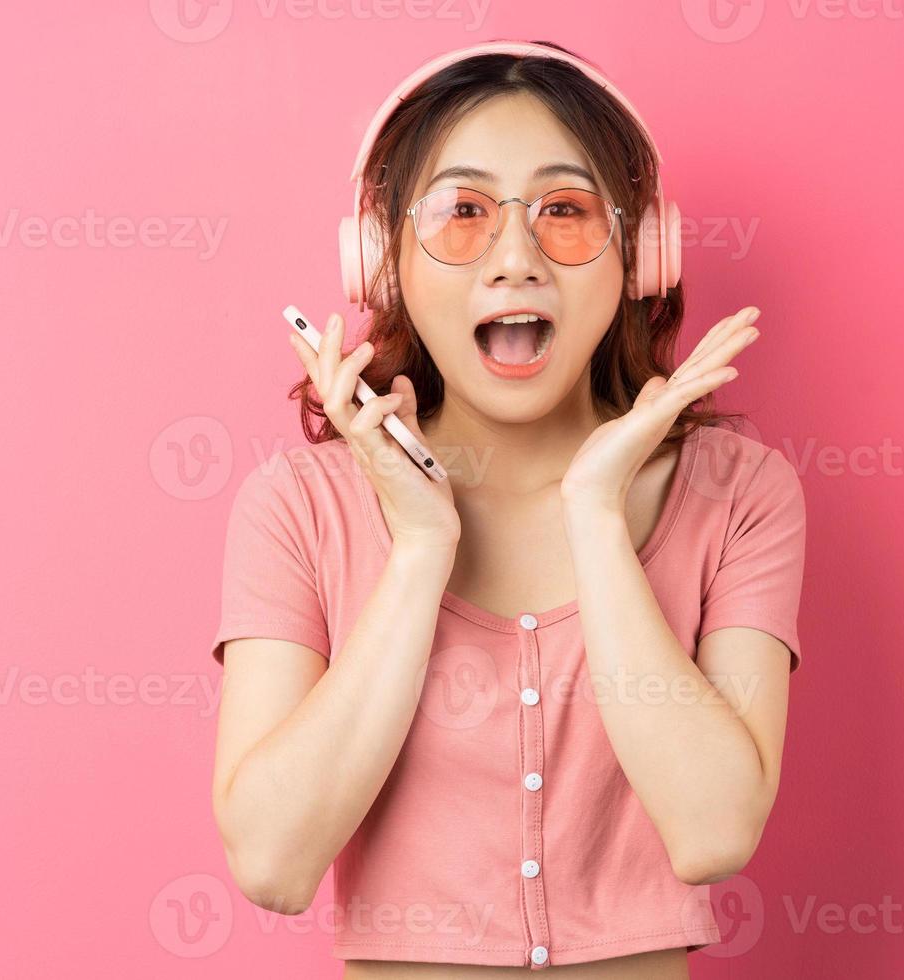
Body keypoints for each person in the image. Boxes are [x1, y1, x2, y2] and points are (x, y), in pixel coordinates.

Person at [209, 39, 807, 978]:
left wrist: (598, 515)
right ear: (383, 261)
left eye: (566, 213)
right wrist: (418, 549)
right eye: (462, 215)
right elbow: (274, 861)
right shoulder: (298, 507)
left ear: (642, 255)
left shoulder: (740, 493)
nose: (517, 259)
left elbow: (715, 830)